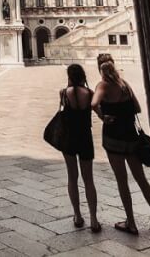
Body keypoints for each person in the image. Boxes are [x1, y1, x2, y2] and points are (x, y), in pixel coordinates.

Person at [92, 58, 150, 235]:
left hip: (113, 137)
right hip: (131, 137)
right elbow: (137, 108)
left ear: (102, 72)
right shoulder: (124, 85)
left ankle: (131, 222)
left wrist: (103, 116)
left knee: (122, 181)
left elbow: (93, 103)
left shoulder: (103, 85)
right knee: (142, 179)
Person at [58, 64, 101, 232]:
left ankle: (77, 215)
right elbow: (101, 114)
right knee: (88, 179)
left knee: (72, 178)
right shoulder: (90, 94)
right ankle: (94, 219)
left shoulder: (63, 93)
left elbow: (62, 114)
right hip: (85, 138)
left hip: (69, 139)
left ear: (69, 76)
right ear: (83, 76)